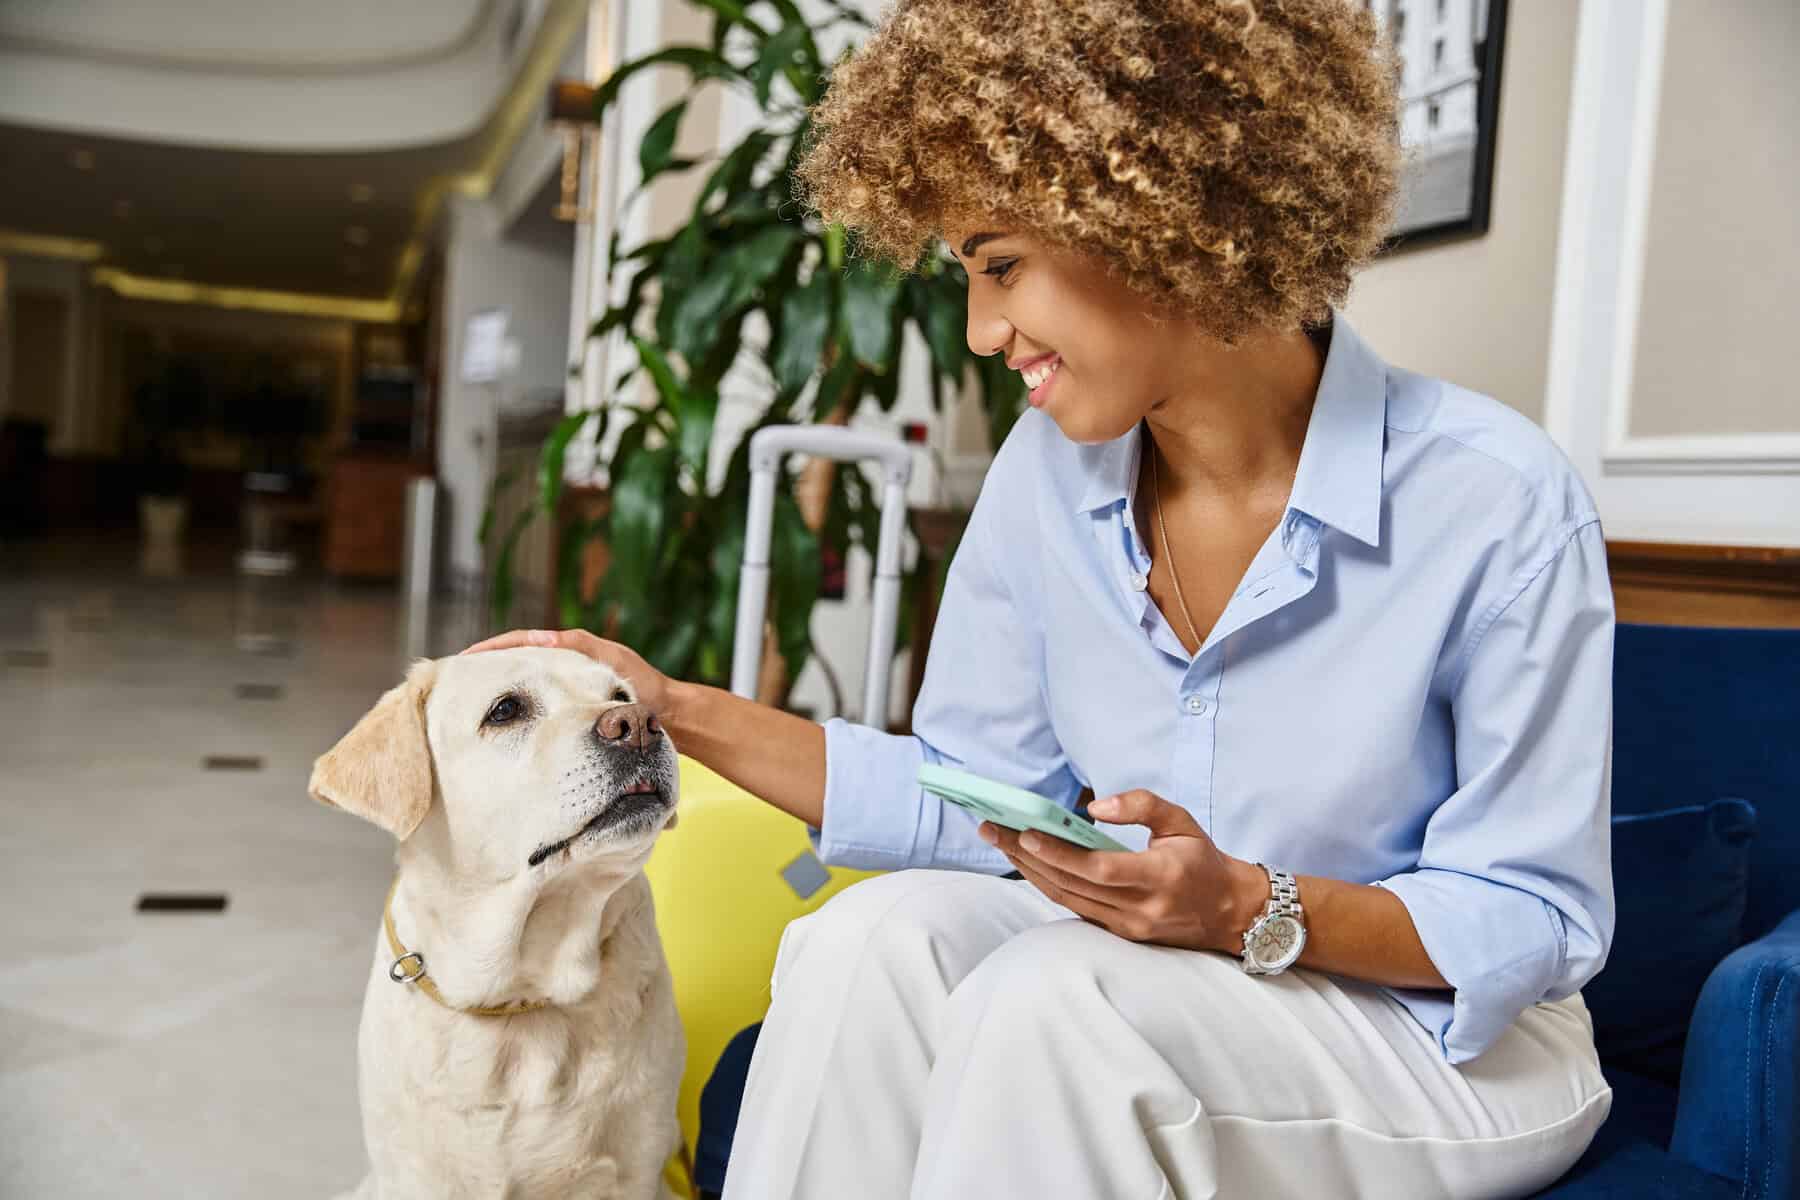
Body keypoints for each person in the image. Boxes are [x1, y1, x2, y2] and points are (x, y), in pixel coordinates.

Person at [469, 0, 1617, 1195]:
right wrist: (671, 710)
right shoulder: (1047, 475)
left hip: (1438, 1041)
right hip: (1155, 974)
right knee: (871, 940)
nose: (981, 331)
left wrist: (1244, 905)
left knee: (1056, 999)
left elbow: (1531, 918)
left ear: (1164, 209)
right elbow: (978, 799)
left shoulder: (1496, 500)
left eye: (1000, 265)